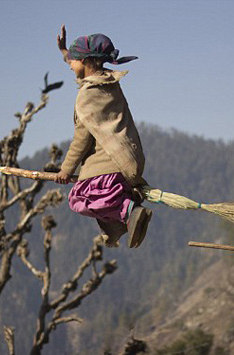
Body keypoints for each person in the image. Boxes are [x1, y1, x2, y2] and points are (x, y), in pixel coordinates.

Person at [53, 25, 152, 249]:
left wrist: (66, 170)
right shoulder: (106, 82)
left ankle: (128, 211)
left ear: (87, 62)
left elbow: (82, 138)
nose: (70, 65)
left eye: (73, 60)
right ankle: (128, 214)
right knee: (96, 200)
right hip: (125, 159)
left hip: (109, 163)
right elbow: (82, 65)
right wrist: (64, 52)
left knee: (79, 200)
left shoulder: (89, 95)